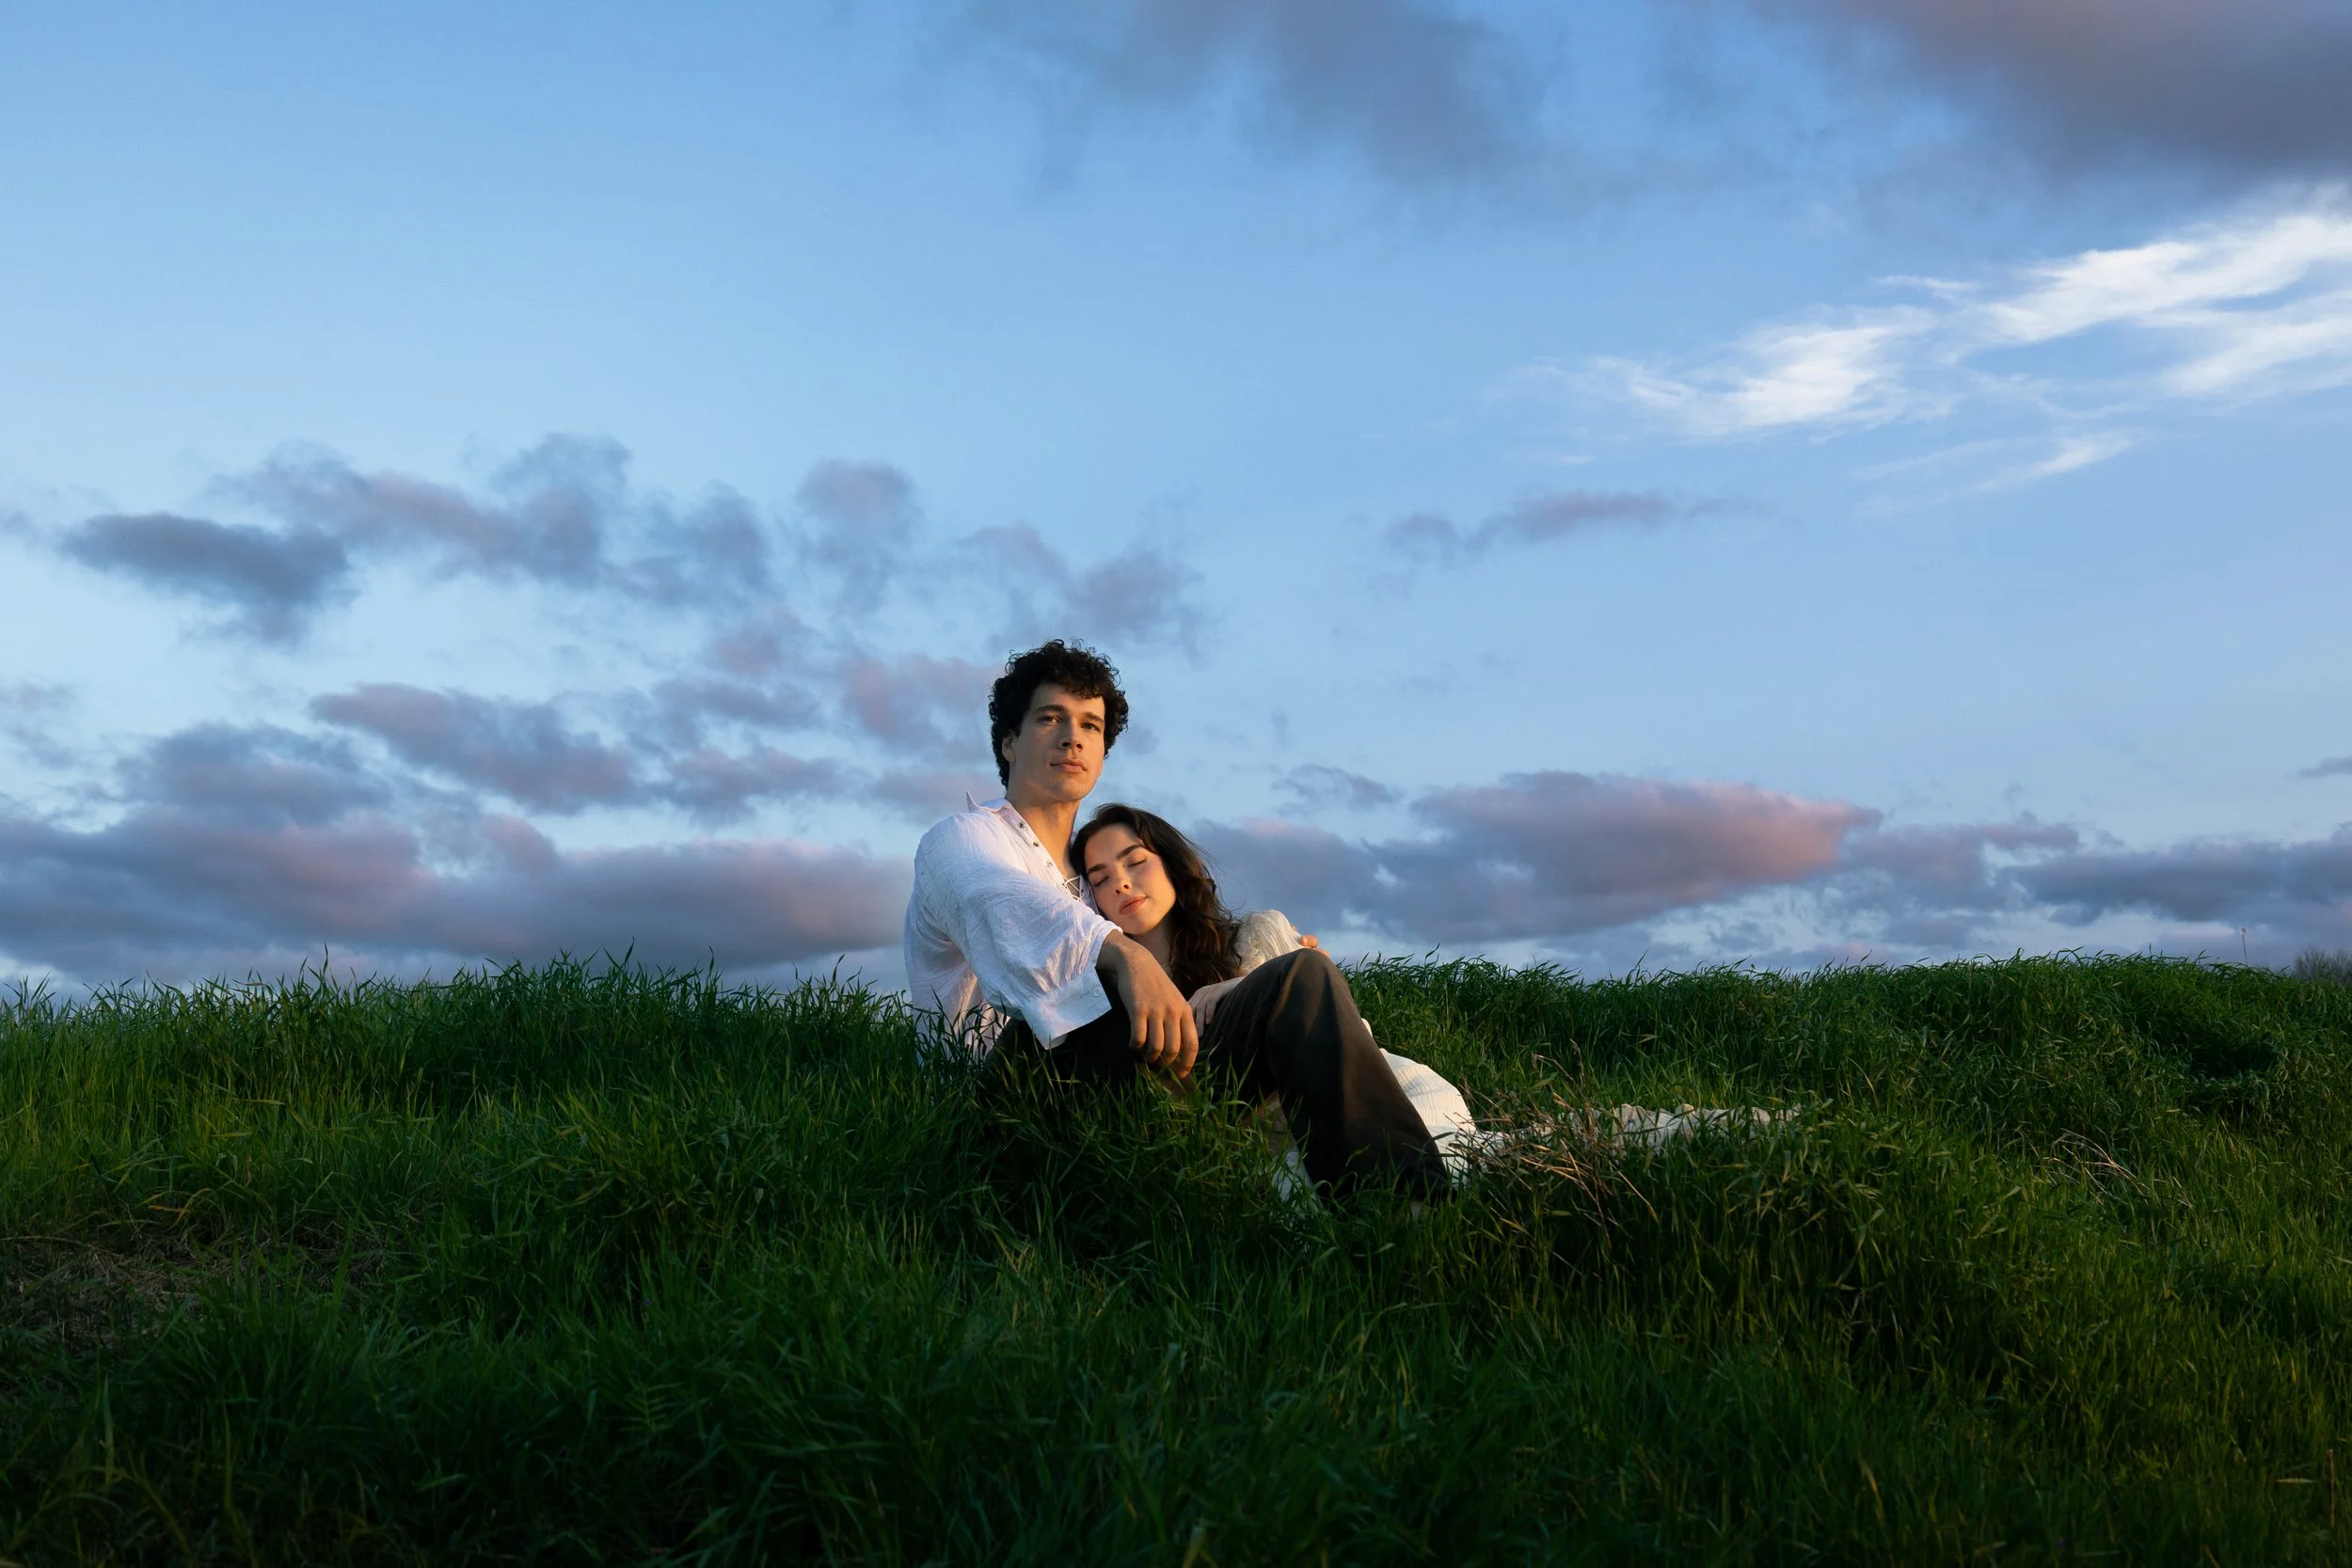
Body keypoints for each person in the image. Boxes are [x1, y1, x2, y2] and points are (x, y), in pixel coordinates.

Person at [903, 640, 1449, 1199]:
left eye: (1091, 726)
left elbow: (1176, 982)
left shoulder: (1090, 885)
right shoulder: (961, 840)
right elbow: (995, 899)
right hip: (1006, 1102)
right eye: (1051, 718)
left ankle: (1408, 1209)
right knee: (1095, 991)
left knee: (1298, 981)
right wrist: (1122, 955)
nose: (1073, 737)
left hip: (1125, 1084)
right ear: (1010, 743)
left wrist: (1256, 988)